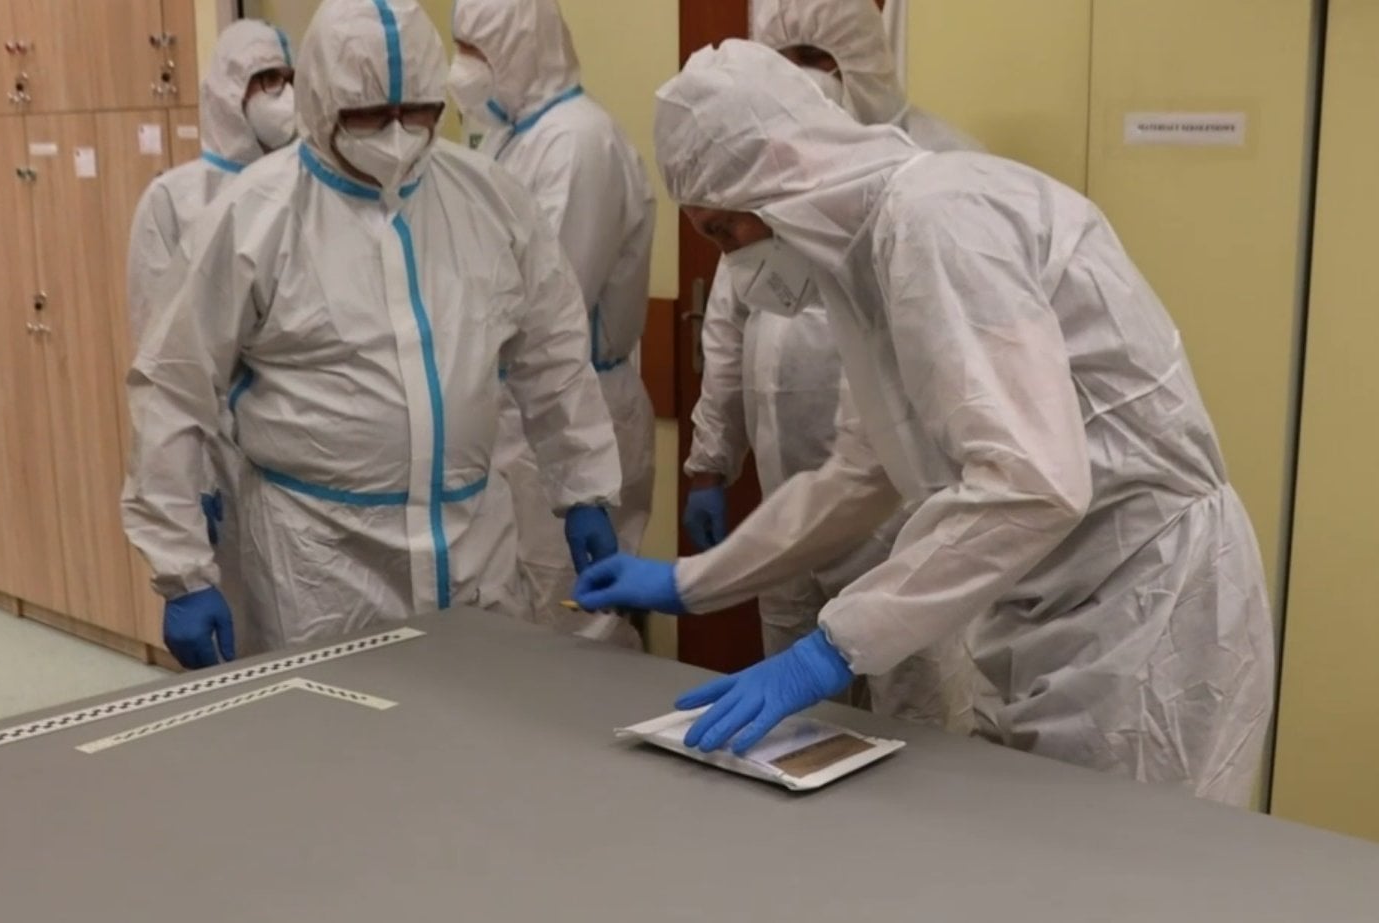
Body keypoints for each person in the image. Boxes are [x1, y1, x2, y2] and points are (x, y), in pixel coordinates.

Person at [577, 40, 1275, 806]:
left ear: (779, 172)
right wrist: (693, 580)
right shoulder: (863, 264)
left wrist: (832, 647)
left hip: (1146, 602)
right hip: (1053, 598)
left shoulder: (939, 221)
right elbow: (861, 472)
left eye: (724, 232)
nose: (730, 264)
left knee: (1126, 850)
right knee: (1046, 840)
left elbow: (1034, 484)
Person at [123, 0, 622, 670]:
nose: (396, 134)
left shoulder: (490, 199)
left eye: (417, 111)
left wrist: (584, 488)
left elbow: (553, 353)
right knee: (336, 727)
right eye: (368, 115)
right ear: (321, 100)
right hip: (319, 560)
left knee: (480, 715)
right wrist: (182, 568)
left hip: (471, 544)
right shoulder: (253, 216)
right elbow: (174, 384)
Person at [682, 0, 981, 724]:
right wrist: (710, 460)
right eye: (781, 66)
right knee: (793, 707)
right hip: (794, 481)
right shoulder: (760, 171)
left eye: (816, 60)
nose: (801, 83)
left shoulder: (937, 169)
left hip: (904, 499)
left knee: (912, 692)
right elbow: (728, 321)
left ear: (863, 63)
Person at [449, 0, 656, 648]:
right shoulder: (514, 136)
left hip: (570, 408)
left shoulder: (576, 141)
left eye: (475, 50)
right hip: (519, 414)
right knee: (527, 622)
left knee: (574, 625)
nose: (460, 68)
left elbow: (550, 306)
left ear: (519, 46)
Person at [126, 19, 297, 648]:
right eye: (265, 80)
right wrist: (191, 483)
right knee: (244, 636)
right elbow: (163, 363)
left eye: (289, 78)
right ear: (229, 90)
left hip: (294, 454)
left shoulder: (306, 191)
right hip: (221, 454)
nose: (283, 95)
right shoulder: (174, 200)